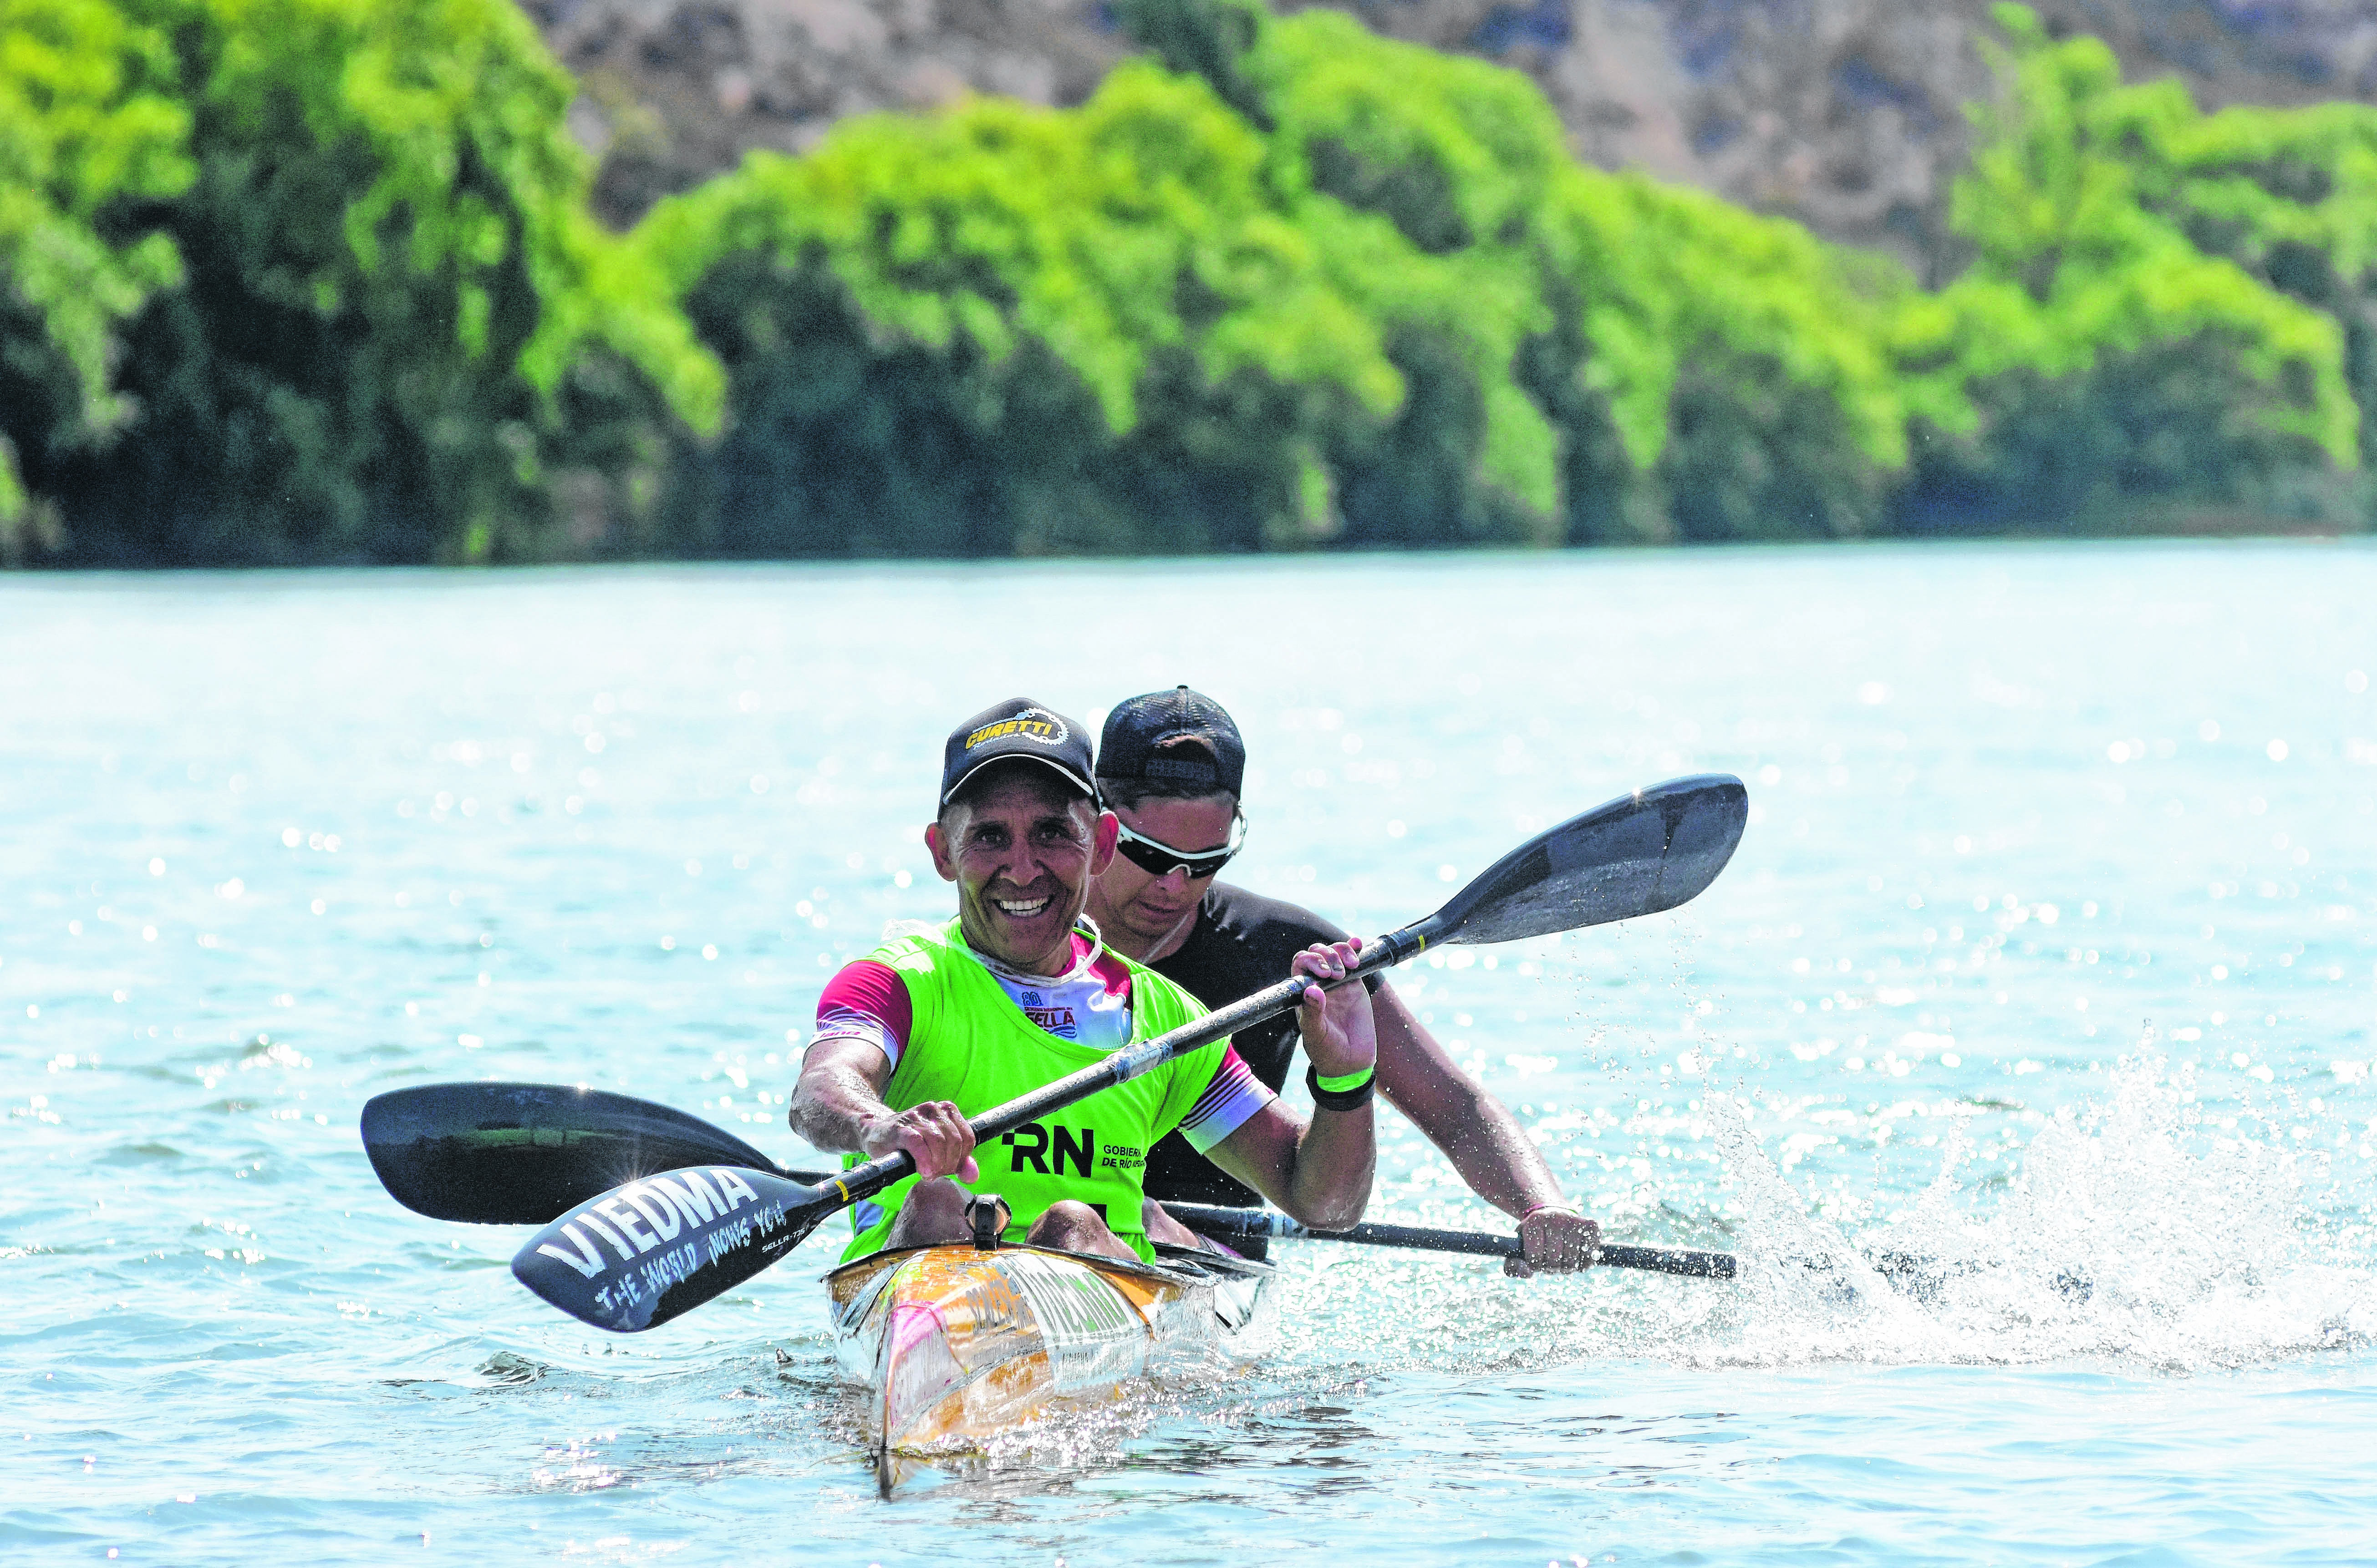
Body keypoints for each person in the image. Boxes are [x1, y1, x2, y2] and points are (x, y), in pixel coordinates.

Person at [788, 696, 1379, 1265]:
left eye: (1051, 833)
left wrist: (1346, 1077)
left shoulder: (1166, 1020)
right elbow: (821, 1089)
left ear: (1100, 845)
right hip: (923, 1277)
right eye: (991, 836)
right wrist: (878, 1126)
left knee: (1073, 1228)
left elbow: (1323, 1203)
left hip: (1097, 1290)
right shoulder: (896, 982)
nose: (1022, 870)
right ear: (943, 853)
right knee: (938, 1202)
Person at [1084, 686, 1600, 1276]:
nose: (1175, 885)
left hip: (1204, 1267)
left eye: (1205, 862)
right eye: (1149, 855)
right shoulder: (1018, 944)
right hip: (1029, 1237)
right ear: (1096, 827)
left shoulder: (1295, 957)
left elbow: (1455, 1108)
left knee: (1127, 1220)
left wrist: (1542, 1207)